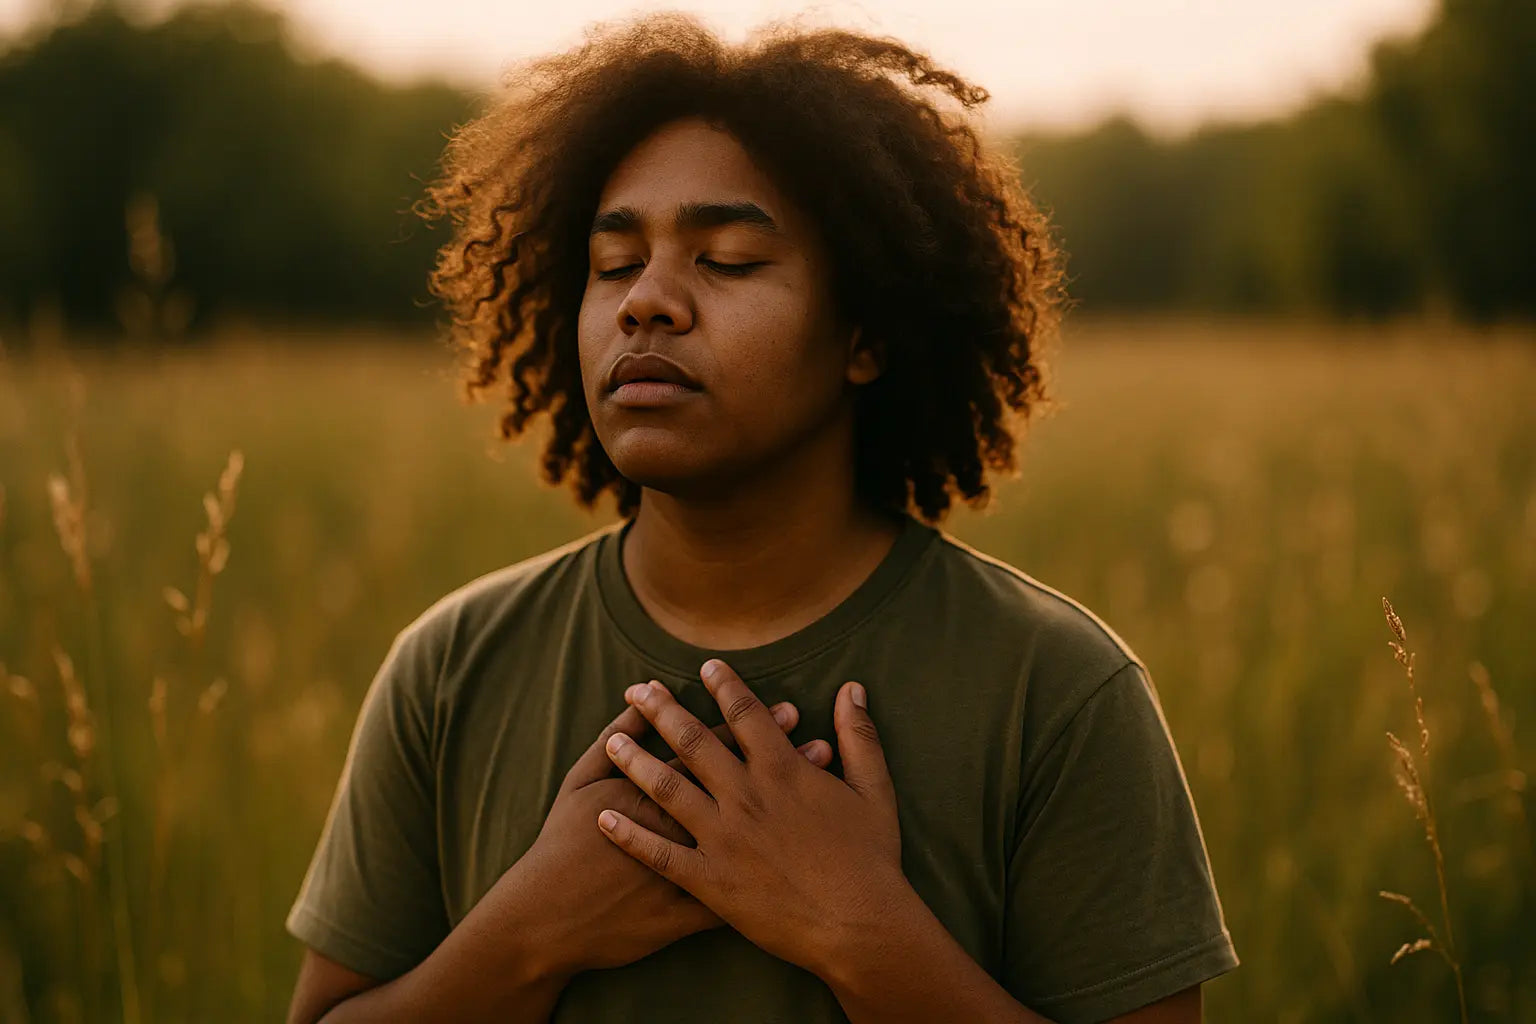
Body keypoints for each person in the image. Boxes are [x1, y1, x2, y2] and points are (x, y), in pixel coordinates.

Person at [284, 13, 1238, 1023]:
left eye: (728, 259)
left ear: (865, 334)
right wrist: (530, 928)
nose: (647, 302)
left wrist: (860, 932)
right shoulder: (450, 666)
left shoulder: (1057, 690)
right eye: (613, 265)